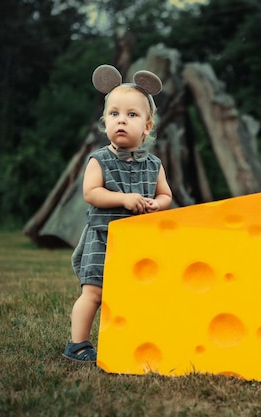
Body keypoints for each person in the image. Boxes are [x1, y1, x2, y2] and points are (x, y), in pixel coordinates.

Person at [63, 65, 173, 363]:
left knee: (135, 294)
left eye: (131, 115)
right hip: (103, 239)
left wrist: (156, 205)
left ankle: (133, 340)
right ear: (105, 122)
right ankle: (78, 343)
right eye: (114, 114)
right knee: (94, 294)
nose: (121, 119)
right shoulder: (99, 160)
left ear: (147, 127)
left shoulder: (154, 165)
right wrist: (124, 199)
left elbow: (166, 195)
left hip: (138, 242)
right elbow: (92, 193)